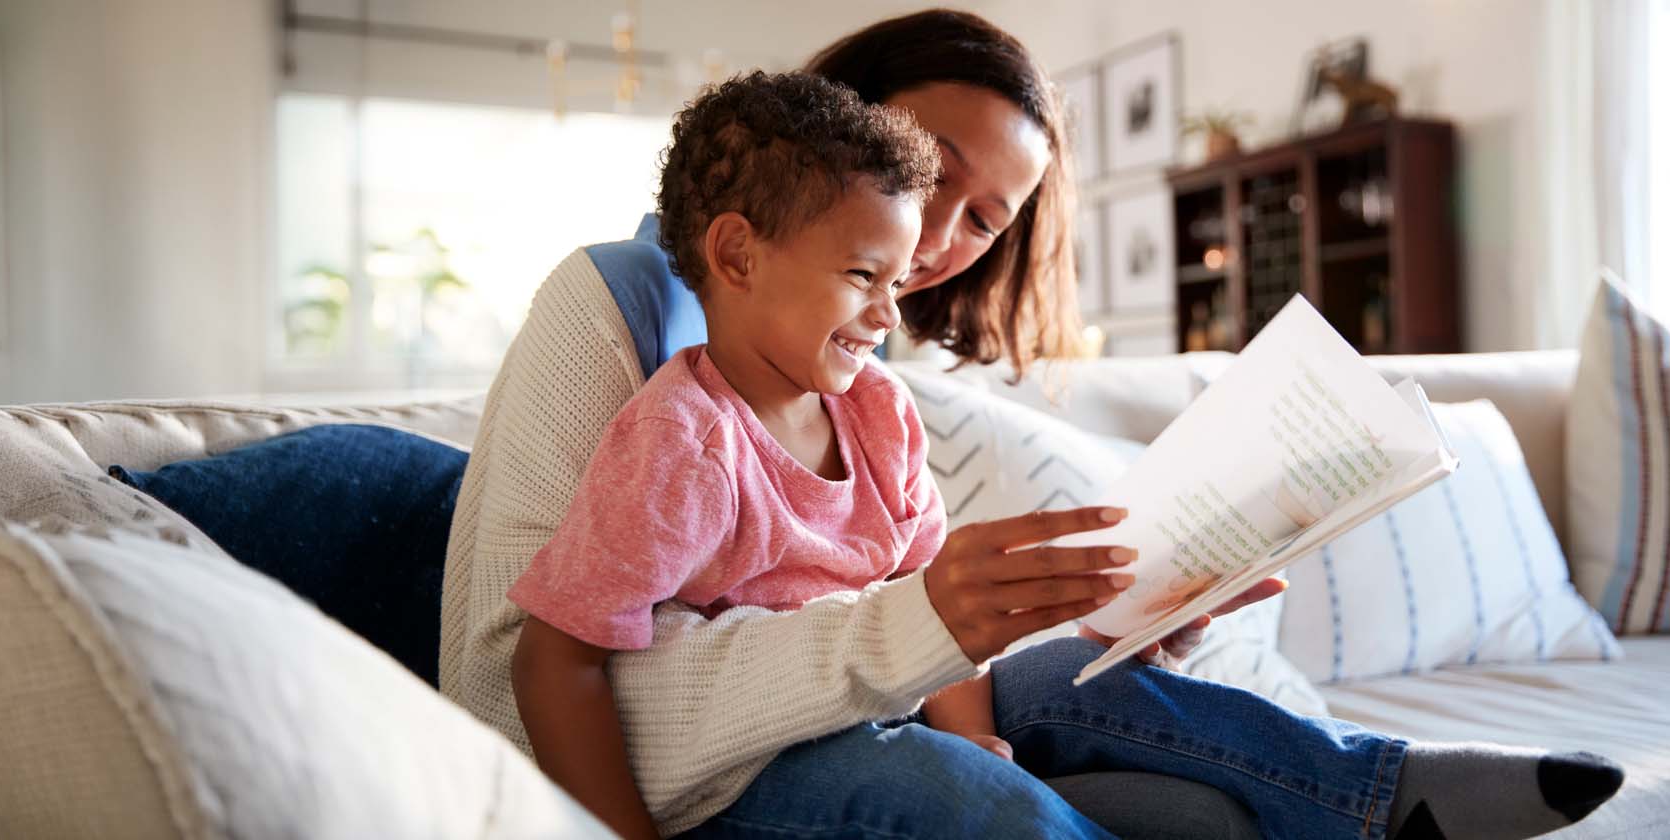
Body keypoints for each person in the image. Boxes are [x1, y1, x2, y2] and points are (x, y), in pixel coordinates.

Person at [440, 11, 1624, 838]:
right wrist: (918, 657)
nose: (933, 241)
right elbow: (534, 674)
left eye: (981, 219)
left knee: (1105, 706)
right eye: (928, 171)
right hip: (737, 765)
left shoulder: (868, 389)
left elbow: (911, 605)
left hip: (894, 707)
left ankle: (1377, 790)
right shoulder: (645, 354)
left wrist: (1137, 611)